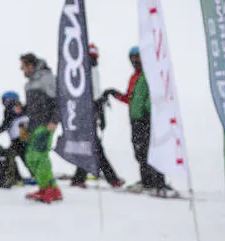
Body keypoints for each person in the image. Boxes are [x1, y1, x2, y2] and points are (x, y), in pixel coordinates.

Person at [104, 46, 167, 192]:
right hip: (135, 119)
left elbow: (155, 95)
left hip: (147, 119)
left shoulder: (149, 75)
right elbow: (130, 99)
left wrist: (148, 111)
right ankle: (147, 180)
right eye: (132, 58)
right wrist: (115, 93)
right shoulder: (135, 77)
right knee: (140, 152)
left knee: (148, 151)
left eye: (137, 57)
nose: (135, 60)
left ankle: (157, 181)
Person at [70, 44, 123, 189]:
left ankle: (80, 177)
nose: (92, 60)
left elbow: (96, 95)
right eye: (90, 57)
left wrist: (100, 111)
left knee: (91, 147)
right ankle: (110, 179)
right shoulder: (83, 71)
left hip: (89, 115)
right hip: (85, 115)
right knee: (93, 147)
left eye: (94, 57)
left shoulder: (92, 71)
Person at [20, 53, 62, 203]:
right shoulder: (30, 83)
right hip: (34, 125)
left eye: (23, 66)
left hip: (45, 124)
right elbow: (34, 107)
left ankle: (49, 190)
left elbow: (57, 100)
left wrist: (54, 120)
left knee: (40, 155)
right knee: (30, 157)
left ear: (30, 66)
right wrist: (22, 110)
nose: (22, 70)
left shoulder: (46, 78)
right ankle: (48, 187)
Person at [0, 91, 31, 185]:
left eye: (5, 101)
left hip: (21, 139)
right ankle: (19, 177)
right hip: (21, 139)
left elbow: (5, 125)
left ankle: (22, 177)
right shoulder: (21, 108)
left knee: (17, 157)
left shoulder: (12, 110)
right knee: (14, 156)